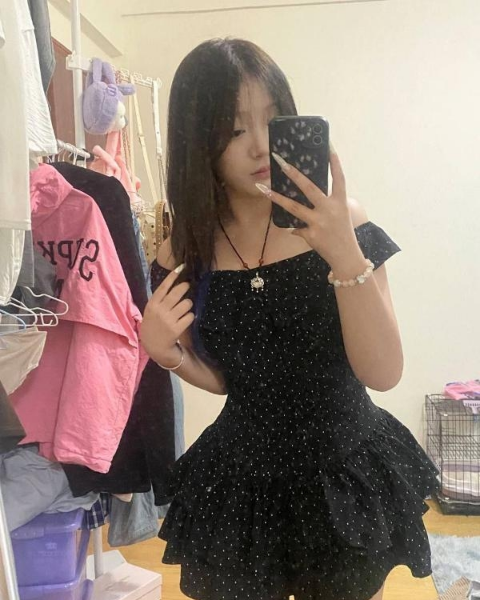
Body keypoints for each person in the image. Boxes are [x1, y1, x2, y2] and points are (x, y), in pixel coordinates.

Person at [140, 38, 440, 600]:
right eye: (234, 129)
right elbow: (227, 381)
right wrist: (169, 355)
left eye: (273, 119)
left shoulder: (344, 224)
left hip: (343, 473)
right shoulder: (184, 249)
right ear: (197, 141)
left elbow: (383, 372)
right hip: (240, 486)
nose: (260, 144)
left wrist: (344, 255)